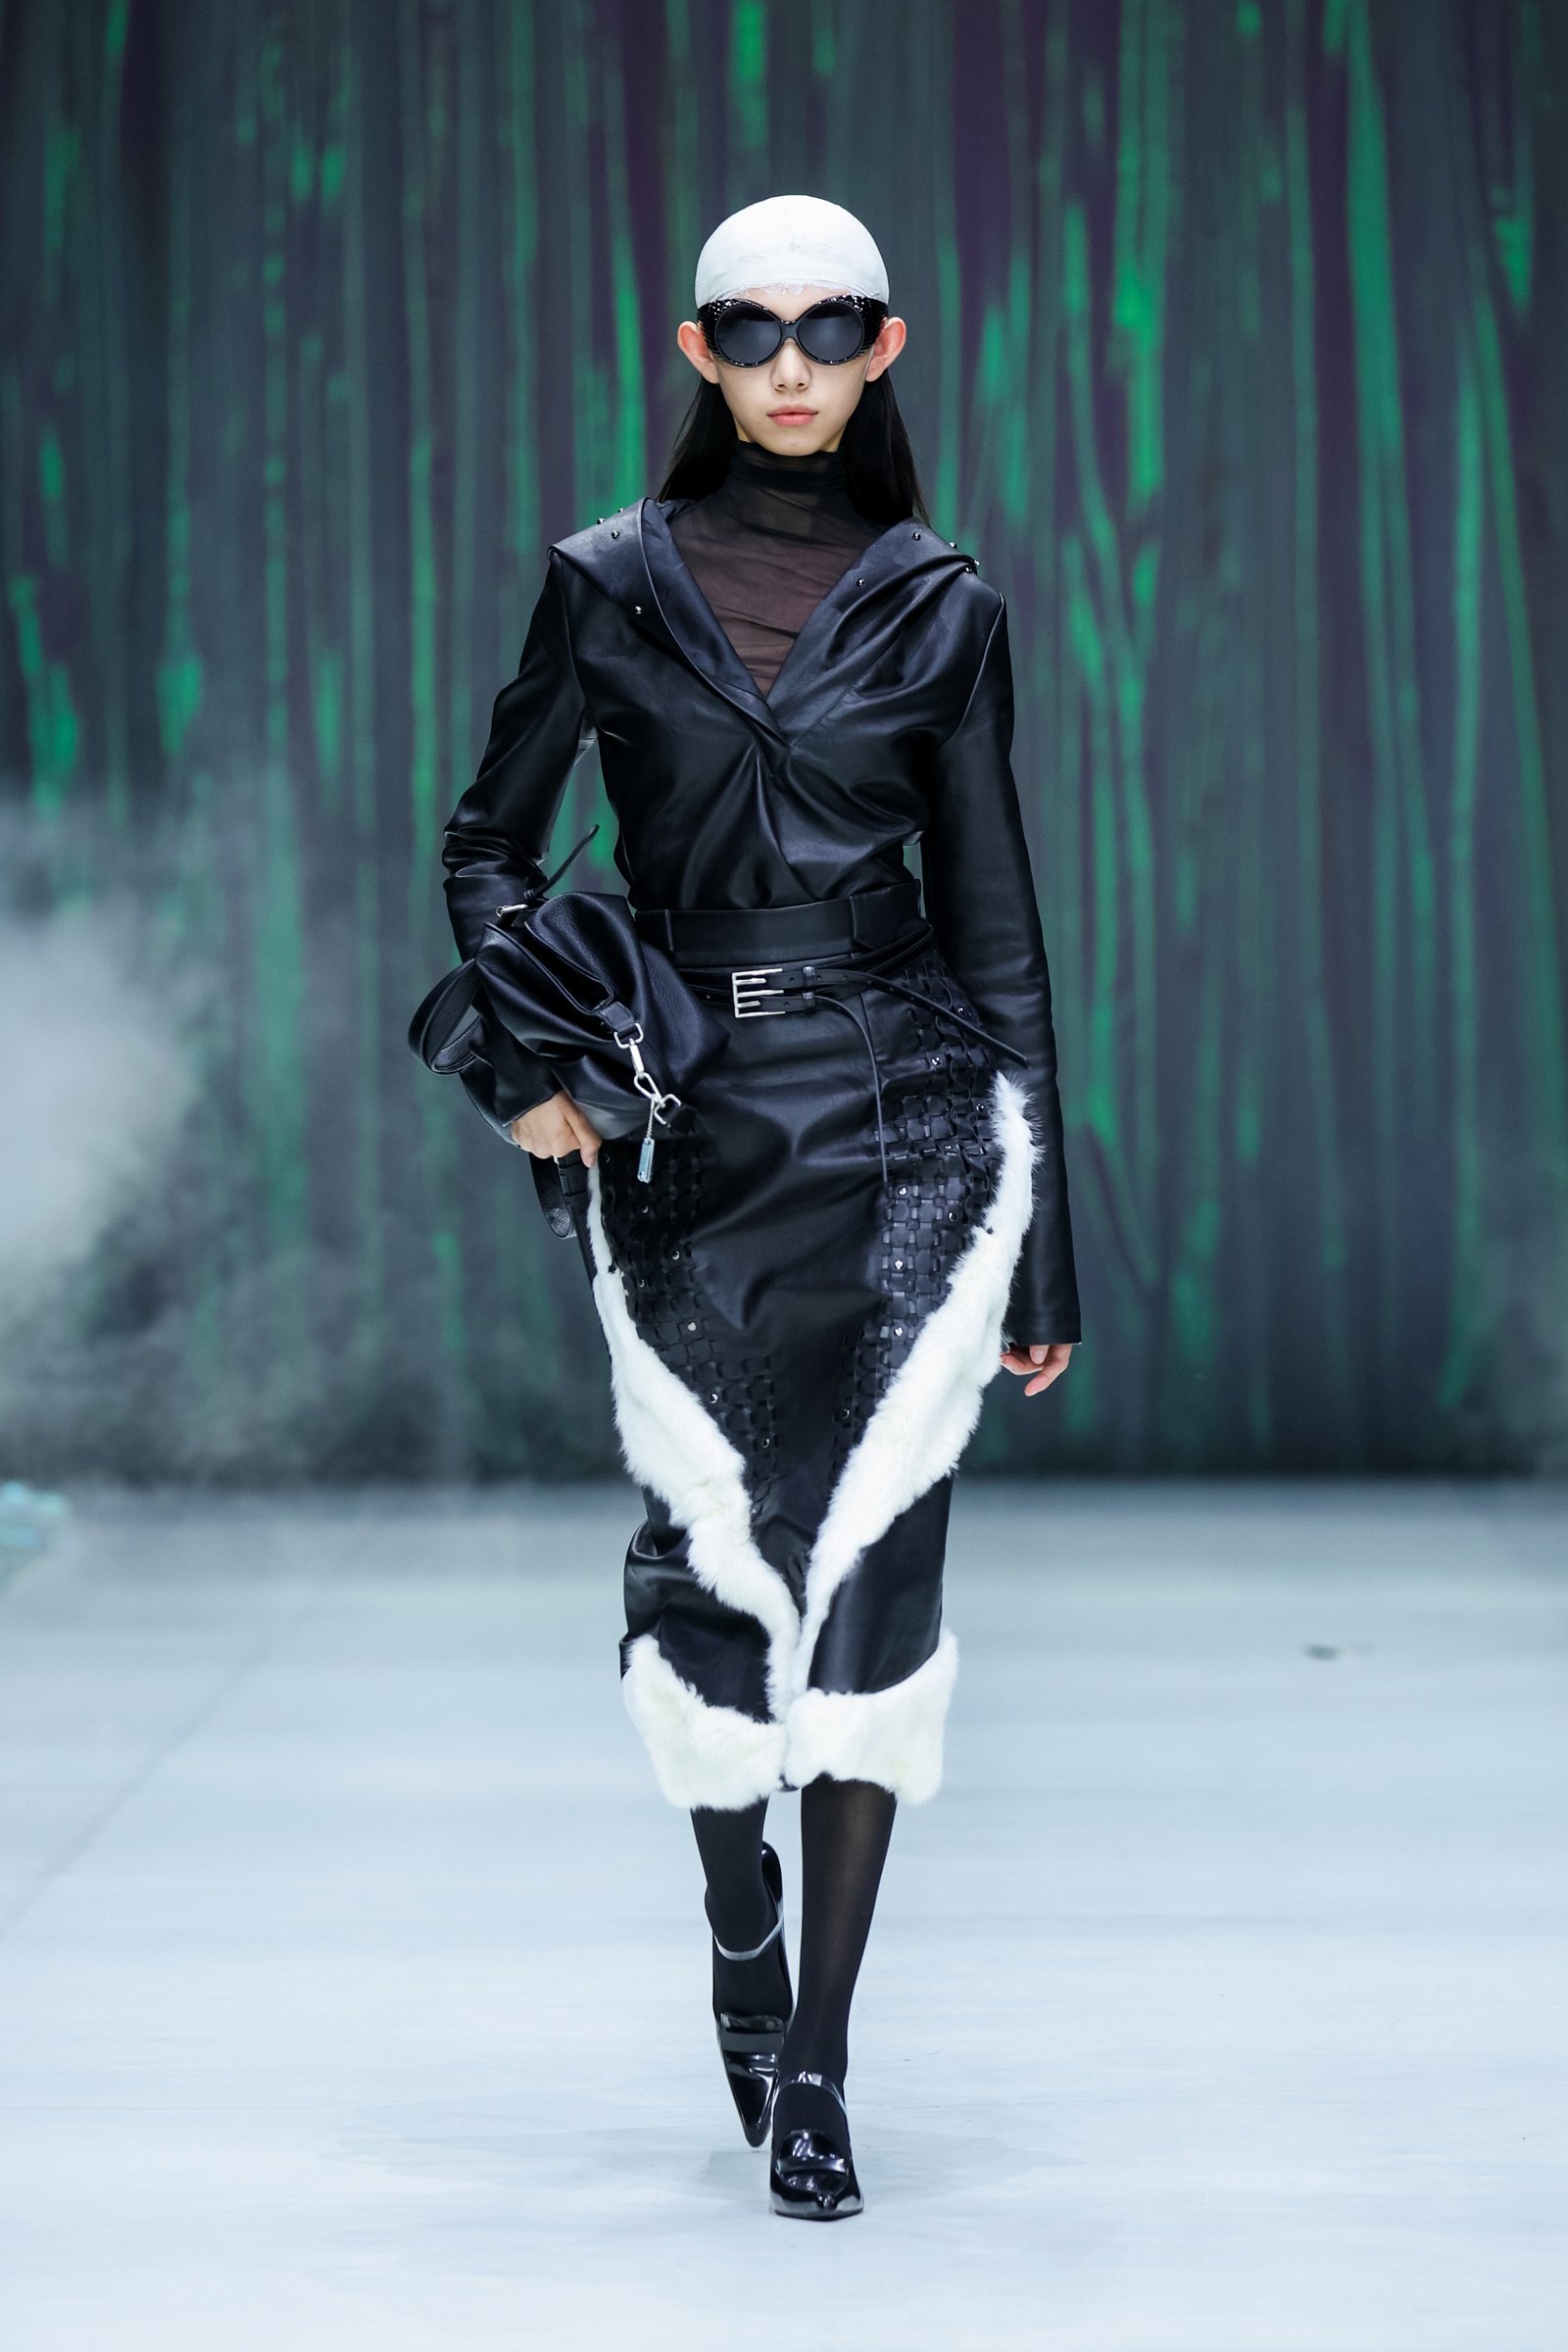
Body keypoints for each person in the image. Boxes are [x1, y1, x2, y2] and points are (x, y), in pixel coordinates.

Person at [439, 194, 1081, 2221]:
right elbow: (487, 840)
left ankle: (819, 2062)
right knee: (710, 1561)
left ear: (881, 349)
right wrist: (531, 1065)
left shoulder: (942, 607)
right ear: (700, 349)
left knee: (879, 1565)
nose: (789, 365)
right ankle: (740, 1926)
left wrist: (1044, 1235)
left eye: (829, 328)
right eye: (751, 329)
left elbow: (995, 922)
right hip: (682, 1122)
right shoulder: (604, 581)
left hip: (913, 1119)